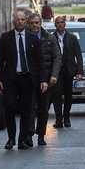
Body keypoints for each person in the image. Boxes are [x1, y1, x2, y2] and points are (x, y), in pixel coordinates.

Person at [0, 10, 47, 150]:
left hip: (28, 79)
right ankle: (11, 138)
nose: (20, 22)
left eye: (23, 19)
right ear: (13, 21)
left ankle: (22, 139)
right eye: (18, 19)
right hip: (11, 79)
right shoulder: (6, 38)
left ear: (26, 21)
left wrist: (43, 80)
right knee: (10, 107)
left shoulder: (33, 38)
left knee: (26, 110)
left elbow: (40, 61)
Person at [27, 13, 61, 146]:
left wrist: (54, 75)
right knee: (30, 109)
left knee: (43, 109)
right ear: (29, 24)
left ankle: (41, 135)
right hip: (30, 80)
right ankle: (29, 135)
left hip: (46, 80)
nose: (34, 25)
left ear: (40, 23)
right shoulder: (26, 38)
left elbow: (57, 57)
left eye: (36, 23)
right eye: (32, 23)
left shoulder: (49, 38)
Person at [52, 16, 83, 128]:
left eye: (62, 22)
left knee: (68, 96)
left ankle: (67, 118)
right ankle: (58, 120)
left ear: (65, 24)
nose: (60, 24)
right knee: (56, 95)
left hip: (69, 71)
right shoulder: (51, 38)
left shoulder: (72, 38)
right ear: (55, 25)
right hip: (56, 72)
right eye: (58, 23)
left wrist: (80, 71)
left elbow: (78, 55)